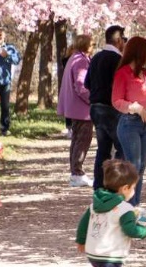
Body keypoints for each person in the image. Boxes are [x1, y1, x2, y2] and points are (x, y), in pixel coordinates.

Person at [76, 159, 146, 267]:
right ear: (125, 188)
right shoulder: (125, 209)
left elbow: (83, 225)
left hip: (93, 253)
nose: (134, 191)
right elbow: (131, 231)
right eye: (133, 188)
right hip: (111, 256)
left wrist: (81, 241)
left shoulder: (94, 205)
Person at [112, 37, 146, 206]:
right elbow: (116, 101)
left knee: (141, 167)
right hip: (129, 123)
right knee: (134, 166)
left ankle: (135, 205)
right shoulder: (122, 73)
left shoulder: (145, 74)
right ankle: (128, 206)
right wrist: (136, 107)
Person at [86, 25, 126, 190]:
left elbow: (87, 82)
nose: (124, 42)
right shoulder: (117, 59)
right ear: (118, 40)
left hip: (96, 106)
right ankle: (115, 183)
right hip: (111, 108)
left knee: (103, 148)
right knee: (121, 147)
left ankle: (99, 185)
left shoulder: (96, 57)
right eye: (123, 39)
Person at [58, 35, 95, 187]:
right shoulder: (81, 60)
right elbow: (81, 86)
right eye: (91, 44)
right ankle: (77, 172)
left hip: (75, 107)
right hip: (82, 108)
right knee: (83, 139)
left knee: (77, 139)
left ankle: (75, 171)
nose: (93, 47)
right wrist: (92, 99)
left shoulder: (74, 57)